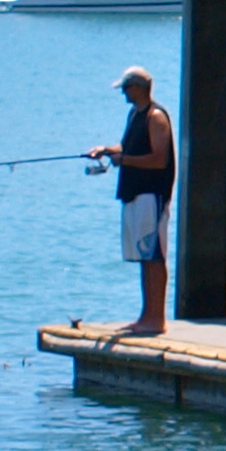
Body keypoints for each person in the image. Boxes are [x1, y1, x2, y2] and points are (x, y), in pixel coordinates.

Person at [83, 66, 175, 337]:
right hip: (133, 193)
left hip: (152, 195)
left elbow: (159, 159)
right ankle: (145, 316)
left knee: (154, 256)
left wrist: (124, 161)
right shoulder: (135, 114)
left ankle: (157, 319)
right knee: (143, 258)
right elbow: (132, 147)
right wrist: (108, 150)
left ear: (138, 87)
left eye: (126, 88)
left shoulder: (156, 117)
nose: (123, 93)